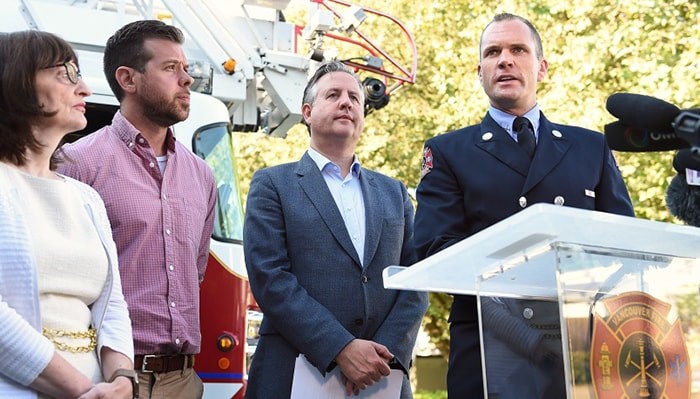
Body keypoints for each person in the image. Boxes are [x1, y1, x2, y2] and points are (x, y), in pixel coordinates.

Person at [414, 13, 635, 399]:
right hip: (489, 347)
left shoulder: (590, 147)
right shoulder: (448, 151)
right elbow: (434, 247)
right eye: (493, 52)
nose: (505, 60)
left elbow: (625, 245)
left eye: (518, 50)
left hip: (577, 346)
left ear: (542, 67)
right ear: (479, 72)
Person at [243, 60, 428, 398]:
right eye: (334, 94)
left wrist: (377, 358)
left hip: (381, 380)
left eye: (354, 98)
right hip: (292, 374)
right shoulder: (273, 185)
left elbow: (415, 281)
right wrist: (341, 348)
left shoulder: (395, 193)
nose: (347, 102)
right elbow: (270, 278)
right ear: (307, 113)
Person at [58, 20, 216, 398]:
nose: (187, 80)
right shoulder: (76, 165)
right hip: (108, 379)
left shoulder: (202, 175)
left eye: (186, 68)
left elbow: (195, 271)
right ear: (128, 79)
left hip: (183, 381)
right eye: (170, 68)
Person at [0, 30, 135, 399]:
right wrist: (83, 390)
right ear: (14, 82)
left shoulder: (86, 198)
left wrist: (123, 378)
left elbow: (112, 305)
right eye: (66, 73)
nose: (86, 89)